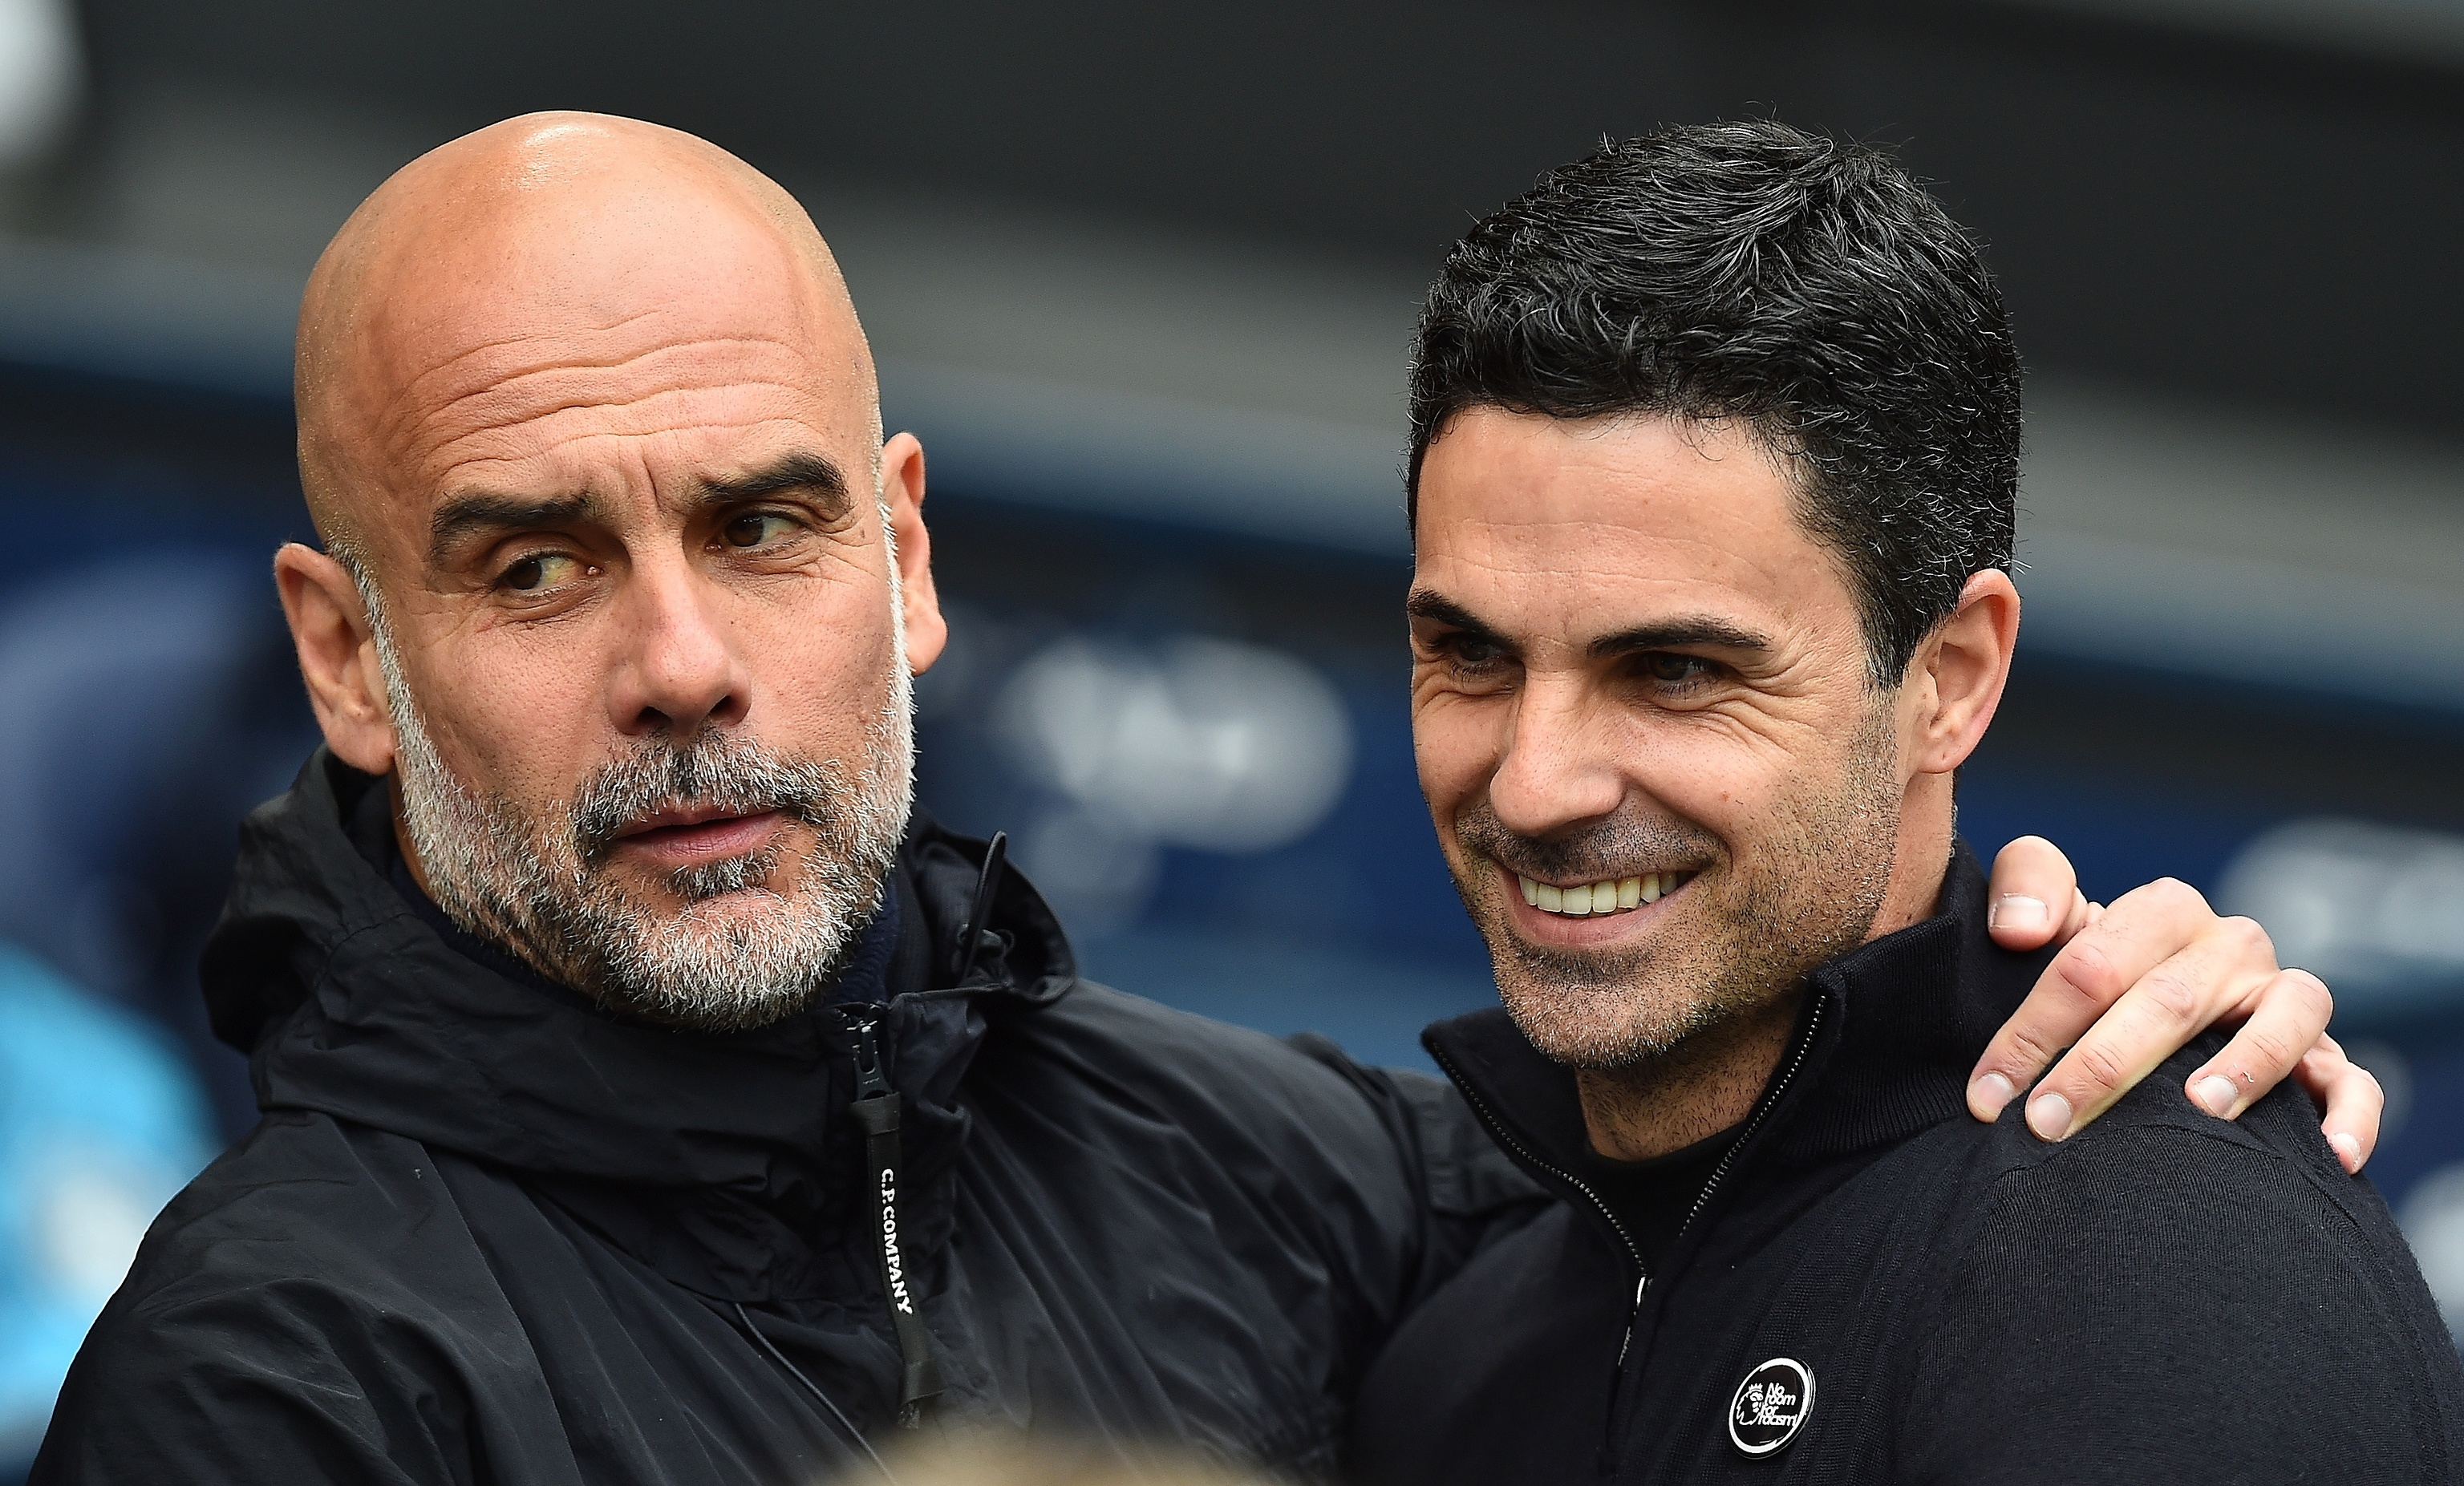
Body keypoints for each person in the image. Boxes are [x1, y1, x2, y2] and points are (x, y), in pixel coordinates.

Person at [30, 115, 2378, 1484]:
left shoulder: (1282, 1165)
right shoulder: (275, 1394)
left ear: (909, 554)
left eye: (763, 523)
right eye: (535, 564)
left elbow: (1744, 1180)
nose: (682, 662)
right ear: (350, 654)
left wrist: (2102, 1005)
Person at [1347, 121, 2458, 1484]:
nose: (1534, 780)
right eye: (1470, 653)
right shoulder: (1439, 1339)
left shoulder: (2163, 1266)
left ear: (1949, 676)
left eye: (1678, 670)